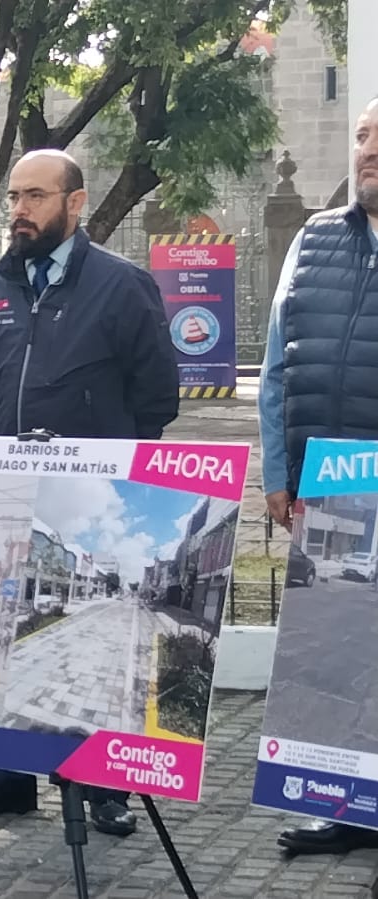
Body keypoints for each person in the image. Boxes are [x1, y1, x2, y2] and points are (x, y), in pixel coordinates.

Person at [0, 148, 178, 835]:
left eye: (35, 197)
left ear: (74, 204)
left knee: (92, 669)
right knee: (5, 641)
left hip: (89, 495)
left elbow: (155, 398)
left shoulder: (121, 285)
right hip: (8, 495)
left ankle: (104, 786)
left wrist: (104, 461)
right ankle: (7, 780)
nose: (18, 210)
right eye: (13, 197)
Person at [261, 96, 378, 858]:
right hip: (331, 487)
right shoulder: (312, 237)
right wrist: (278, 471)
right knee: (339, 657)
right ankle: (347, 810)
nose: (367, 148)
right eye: (364, 135)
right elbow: (277, 364)